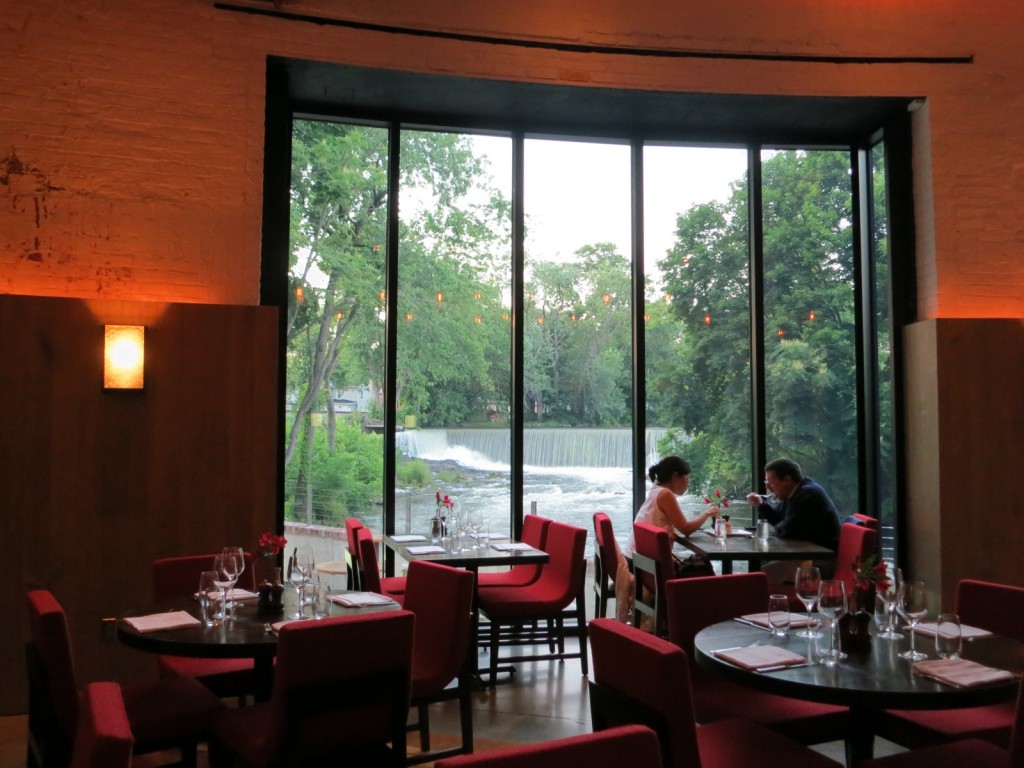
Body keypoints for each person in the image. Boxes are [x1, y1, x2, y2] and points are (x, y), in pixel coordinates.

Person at [746, 457, 841, 583]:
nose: (768, 487)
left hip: (821, 562)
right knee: (759, 567)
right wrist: (761, 505)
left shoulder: (808, 495)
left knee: (758, 577)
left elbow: (787, 531)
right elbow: (779, 519)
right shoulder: (794, 493)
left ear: (787, 479)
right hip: (805, 555)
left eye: (771, 481)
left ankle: (757, 600)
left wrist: (775, 530)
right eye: (766, 481)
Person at [622, 455, 721, 563]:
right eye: (686, 478)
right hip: (646, 565)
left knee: (696, 563)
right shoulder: (665, 494)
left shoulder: (656, 490)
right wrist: (707, 513)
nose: (688, 483)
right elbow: (686, 529)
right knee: (703, 566)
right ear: (675, 476)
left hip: (636, 560)